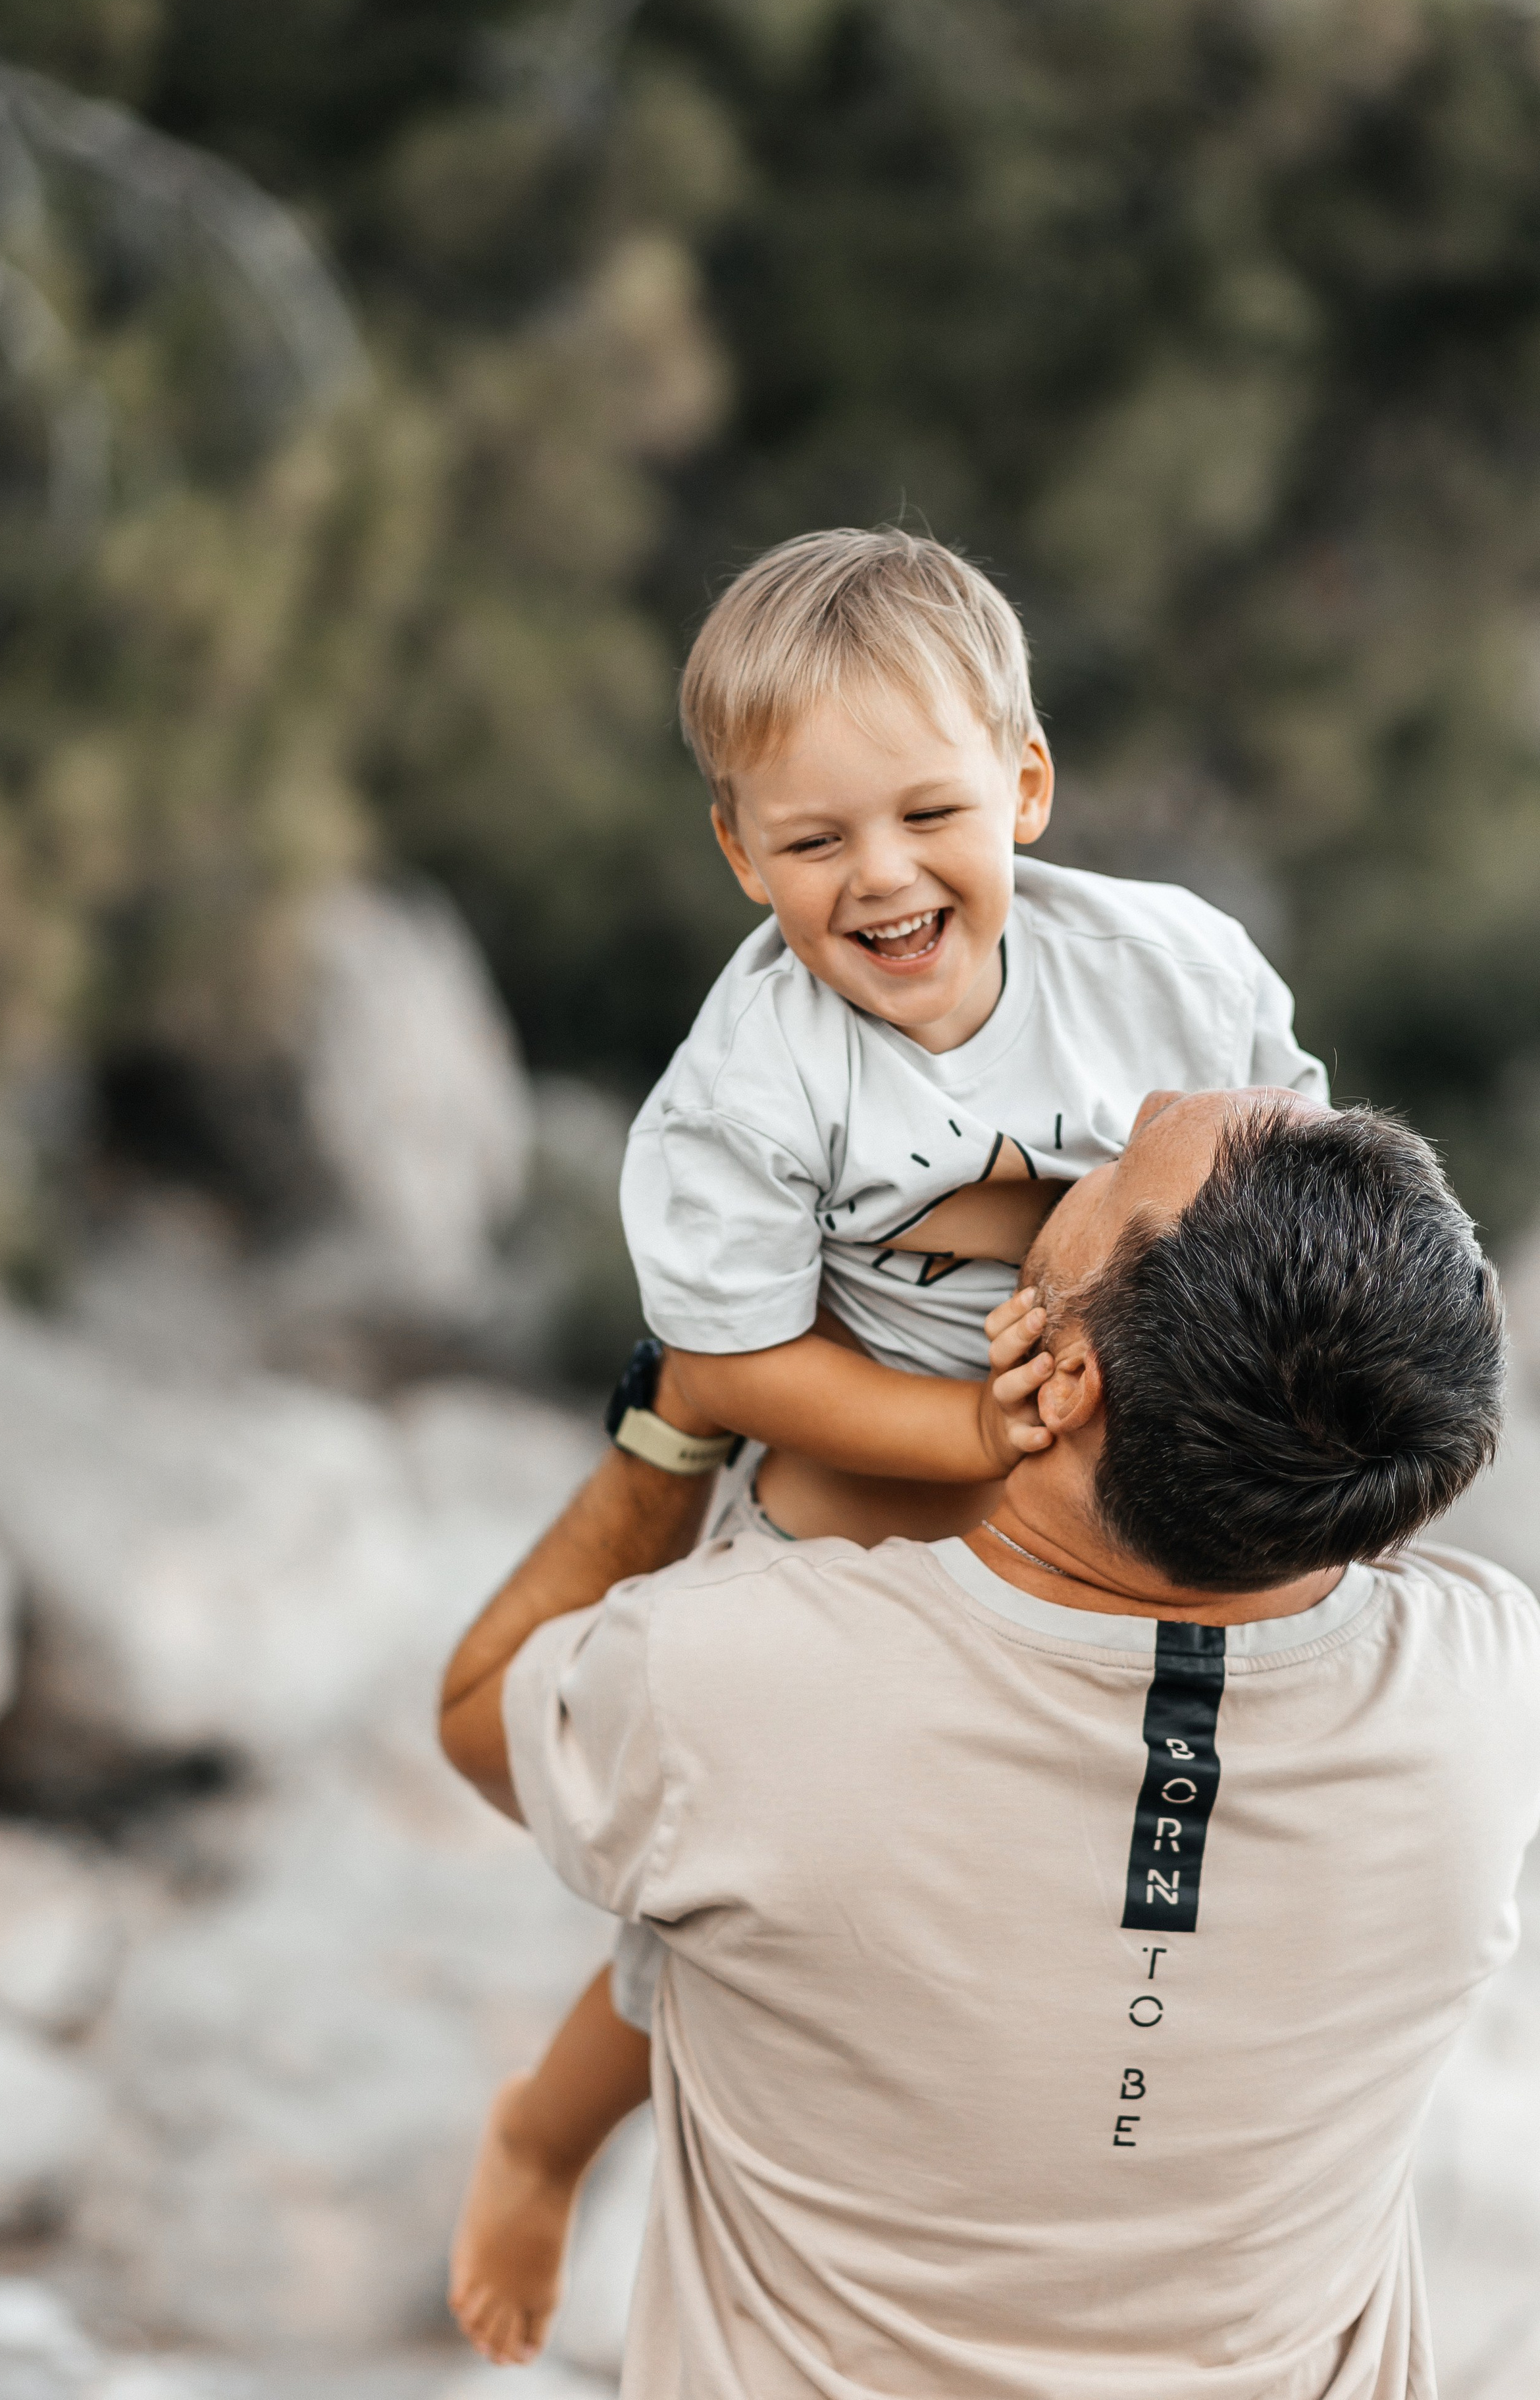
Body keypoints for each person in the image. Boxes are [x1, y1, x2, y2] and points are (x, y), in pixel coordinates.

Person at [447, 524, 1328, 2361]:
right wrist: (959, 1432)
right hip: (855, 1509)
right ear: (735, 850)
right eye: (811, 841)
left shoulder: (1169, 970)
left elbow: (1288, 1190)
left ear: (1026, 785)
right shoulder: (746, 1086)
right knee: (713, 1912)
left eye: (930, 813)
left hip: (1118, 1498)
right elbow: (736, 1366)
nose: (881, 877)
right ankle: (545, 2138)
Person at [440, 1088, 1539, 2397]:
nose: (1144, 1100)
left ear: (1067, 1381)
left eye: (1125, 1162)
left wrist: (681, 1401)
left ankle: (538, 2152)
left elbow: (483, 1711)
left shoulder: (748, 1677)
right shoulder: (1487, 1694)